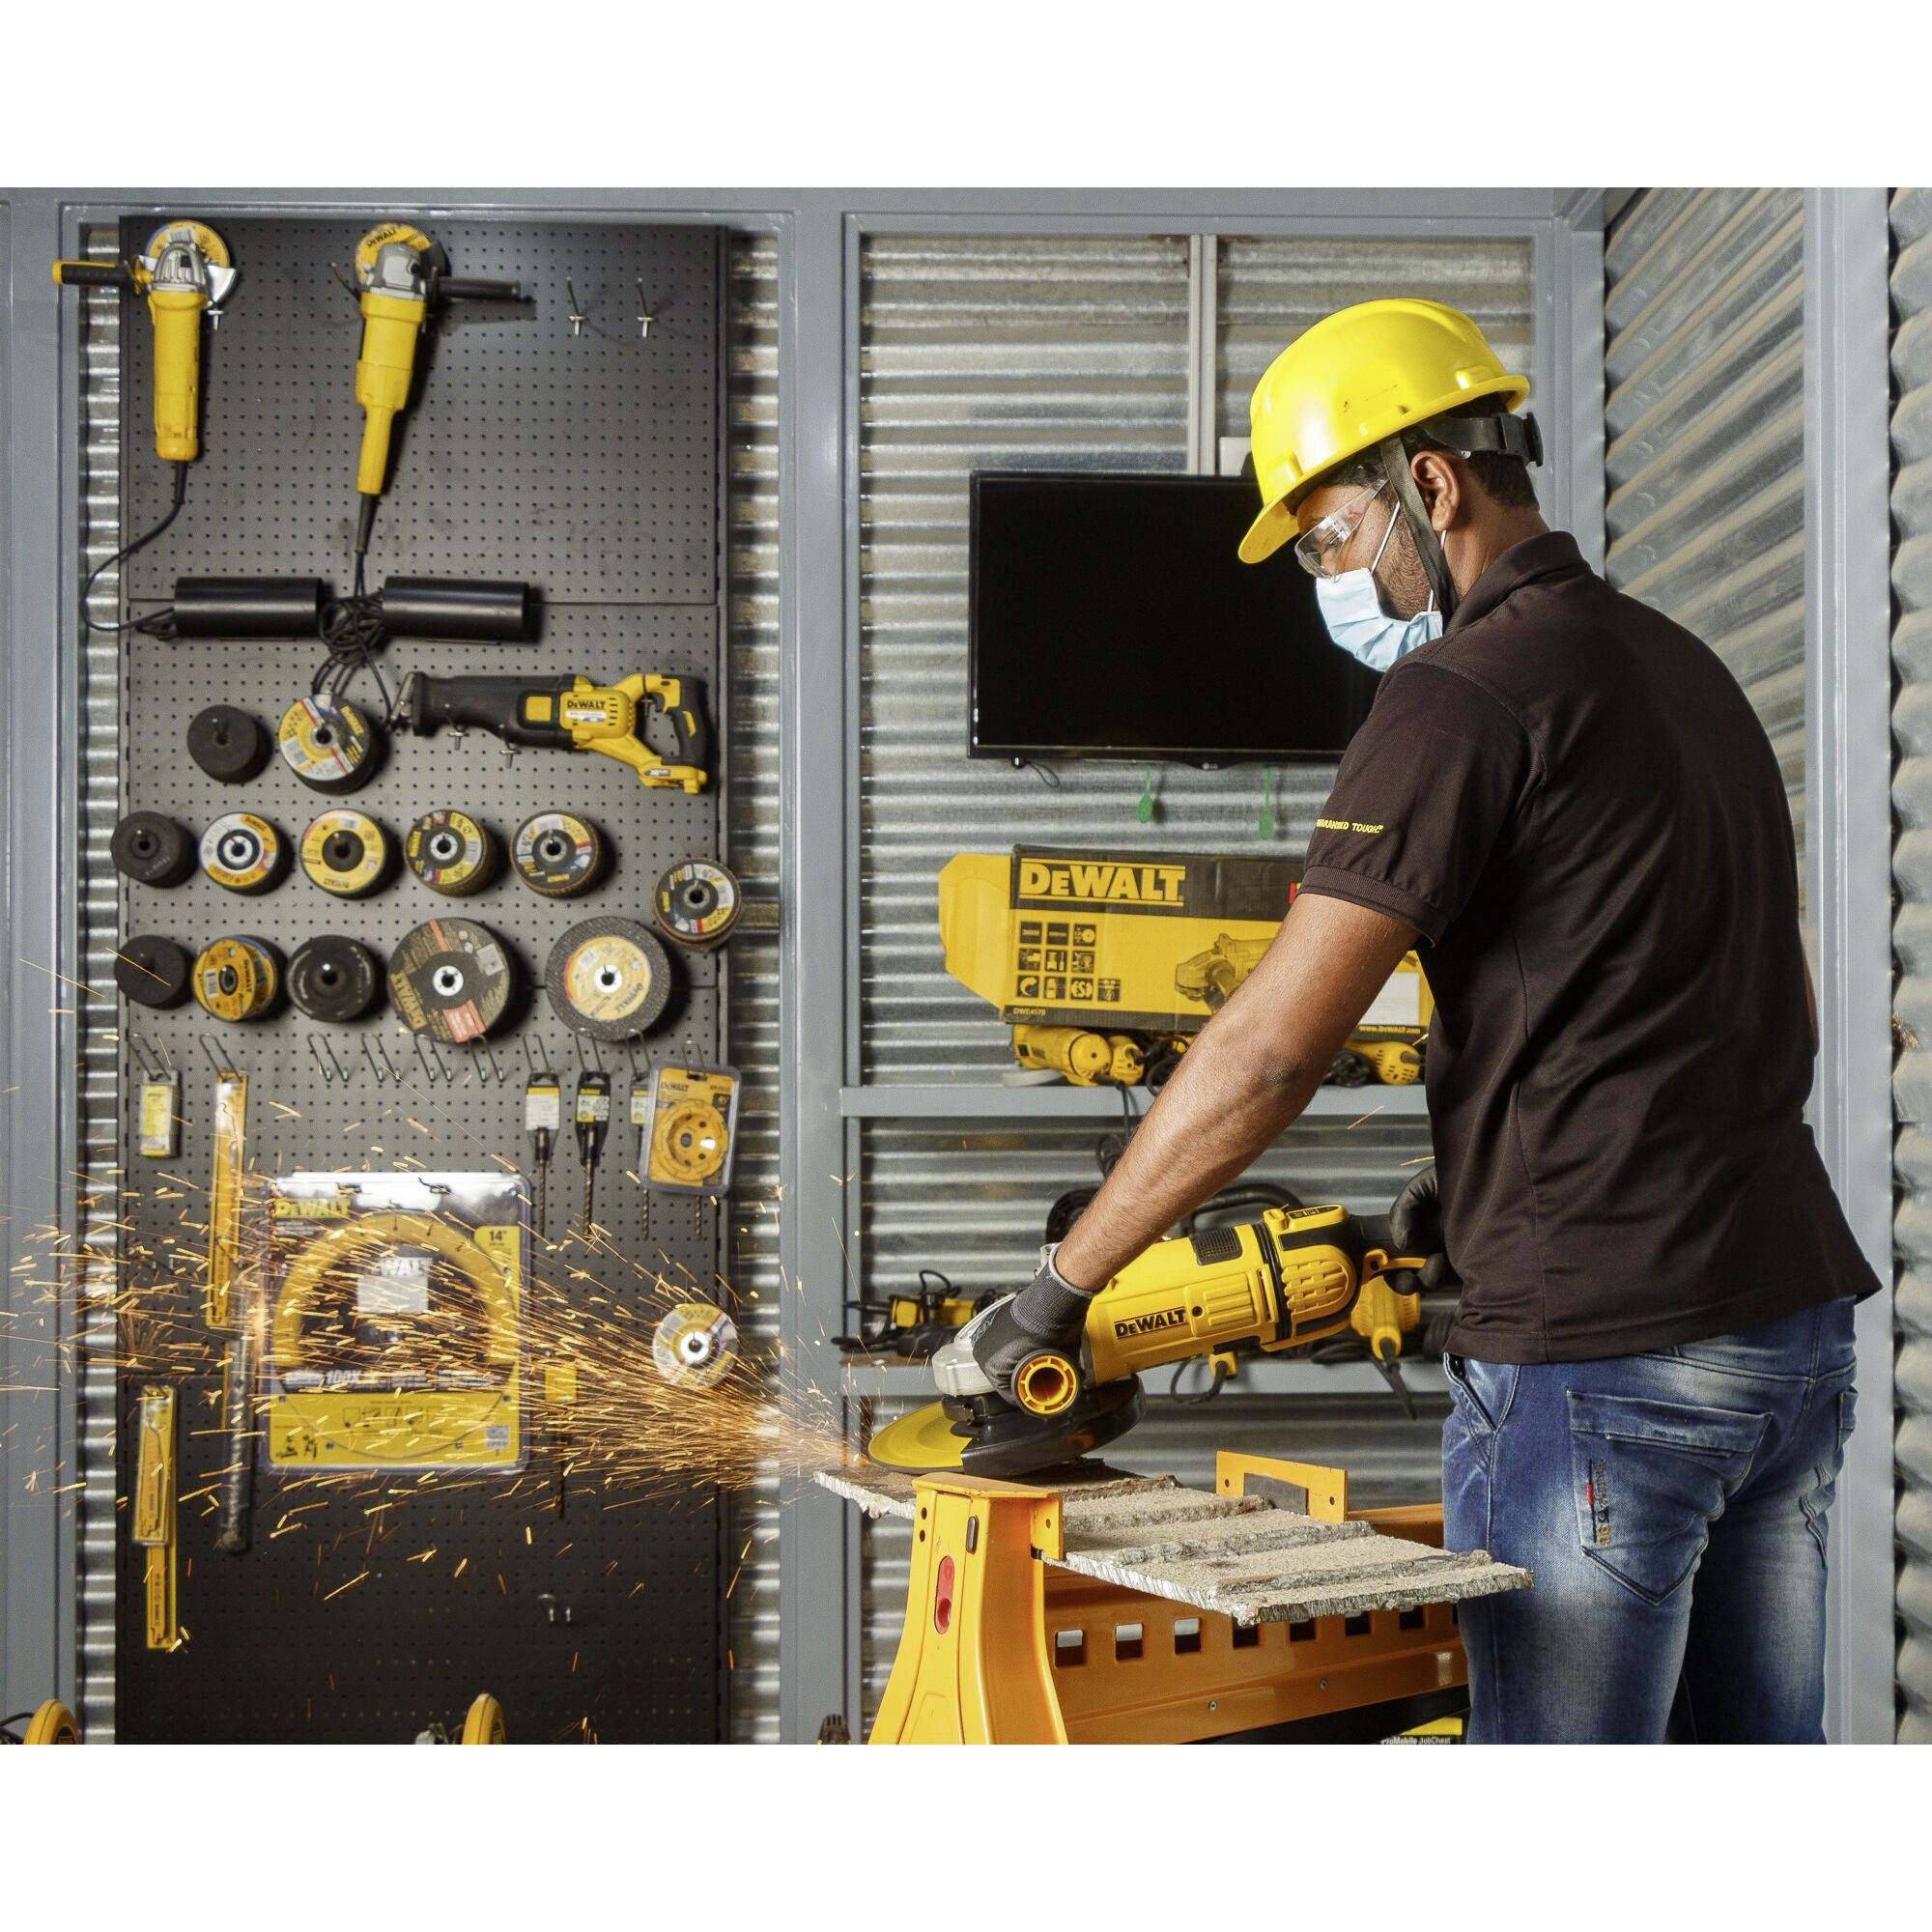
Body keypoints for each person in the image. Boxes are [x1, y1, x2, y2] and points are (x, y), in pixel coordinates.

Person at [967, 298, 1881, 1743]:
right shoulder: (1685, 671)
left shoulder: (1457, 694)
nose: (1332, 578)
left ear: (1432, 486)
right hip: (1786, 1336)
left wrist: (1057, 1292)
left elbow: (1272, 1048)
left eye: (1331, 538)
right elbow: (1784, 1005)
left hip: (1601, 1361)